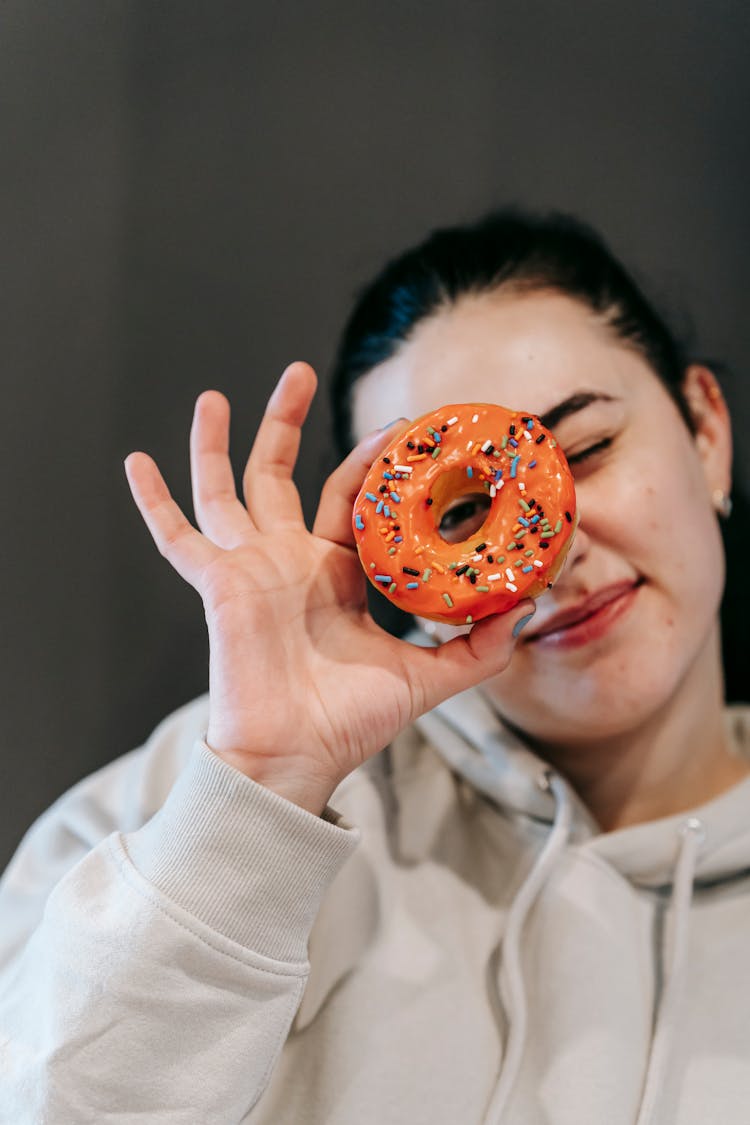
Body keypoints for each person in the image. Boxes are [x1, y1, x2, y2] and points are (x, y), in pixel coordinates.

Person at [1, 209, 748, 1125]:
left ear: (707, 430)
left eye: (585, 449)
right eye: (464, 514)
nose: (553, 556)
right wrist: (262, 791)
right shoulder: (187, 805)